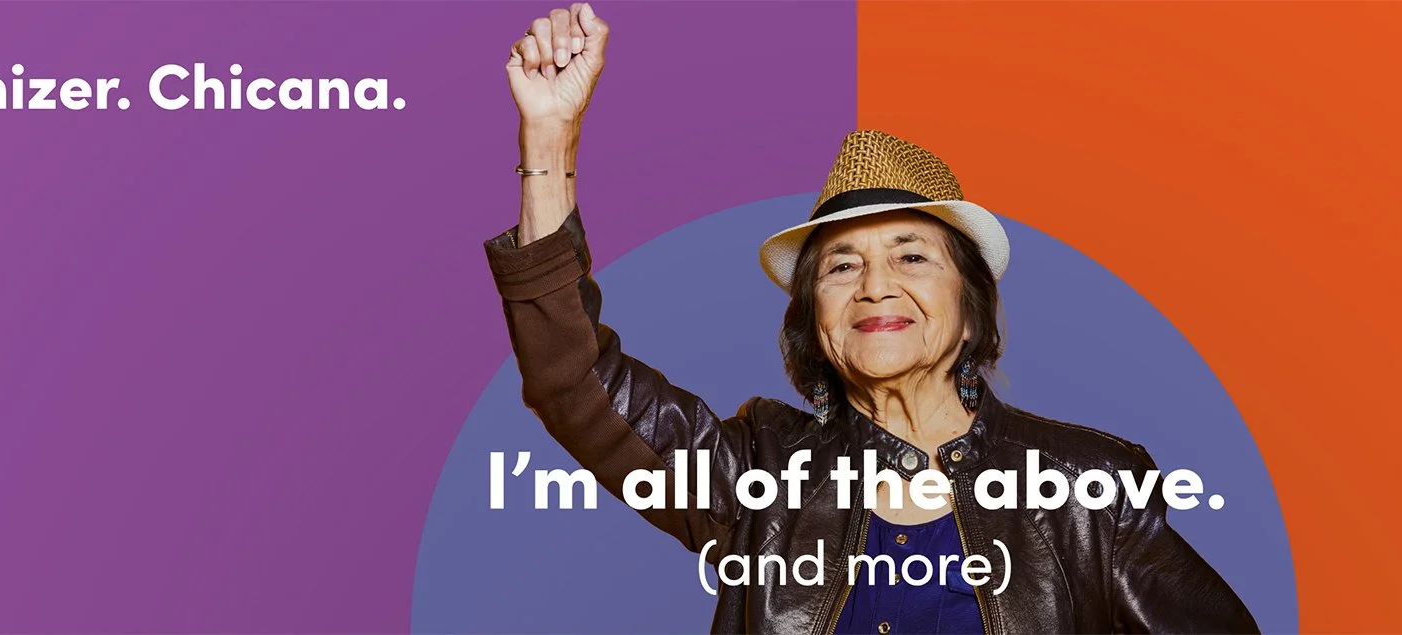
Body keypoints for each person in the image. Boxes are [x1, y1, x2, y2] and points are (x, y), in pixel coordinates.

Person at [488, 4, 1260, 633]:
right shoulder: (757, 476)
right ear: (811, 317)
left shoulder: (1091, 491)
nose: (874, 285)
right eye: (841, 264)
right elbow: (576, 382)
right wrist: (550, 137)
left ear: (969, 308)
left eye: (911, 256)